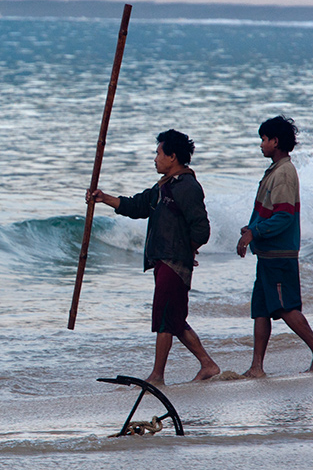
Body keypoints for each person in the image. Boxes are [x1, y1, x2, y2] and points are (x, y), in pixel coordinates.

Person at [87, 129, 220, 385]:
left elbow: (202, 229)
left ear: (172, 156)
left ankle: (157, 376)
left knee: (164, 319)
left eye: (158, 153)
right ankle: (208, 364)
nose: (155, 158)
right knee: (174, 319)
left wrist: (185, 250)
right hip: (164, 261)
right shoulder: (164, 187)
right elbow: (136, 206)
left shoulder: (187, 187)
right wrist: (104, 198)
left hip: (173, 262)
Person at [236, 116, 313, 377]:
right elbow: (267, 212)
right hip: (267, 254)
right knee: (260, 309)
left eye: (264, 139)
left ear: (275, 141)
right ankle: (256, 367)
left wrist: (254, 232)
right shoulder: (274, 171)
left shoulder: (284, 173)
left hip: (280, 254)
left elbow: (284, 215)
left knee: (283, 306)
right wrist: (250, 229)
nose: (261, 144)